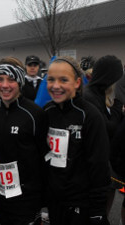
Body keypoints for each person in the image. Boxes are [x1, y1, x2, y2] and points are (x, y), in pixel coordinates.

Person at [44, 56, 111, 225]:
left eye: (63, 80)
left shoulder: (90, 116)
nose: (56, 86)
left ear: (77, 83)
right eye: (51, 79)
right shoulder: (47, 112)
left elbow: (99, 166)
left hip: (81, 204)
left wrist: (98, 211)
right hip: (55, 202)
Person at [0, 57, 48, 225]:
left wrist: (43, 199)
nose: (4, 85)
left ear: (20, 81)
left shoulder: (35, 114)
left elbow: (45, 157)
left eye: (11, 79)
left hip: (27, 198)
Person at [83, 55, 124, 217]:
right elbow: (108, 128)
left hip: (103, 162)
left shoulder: (99, 94)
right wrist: (118, 108)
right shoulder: (89, 96)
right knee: (97, 210)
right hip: (93, 165)